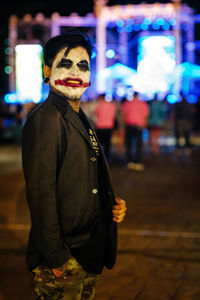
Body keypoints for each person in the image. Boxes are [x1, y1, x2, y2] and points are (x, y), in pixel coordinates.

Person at [22, 32, 127, 300]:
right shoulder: (46, 119)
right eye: (65, 64)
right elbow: (40, 192)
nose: (75, 72)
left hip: (87, 250)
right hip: (64, 257)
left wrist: (109, 204)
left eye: (83, 65)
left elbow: (82, 175)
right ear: (48, 71)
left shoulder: (77, 116)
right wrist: (56, 257)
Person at [123, 92, 150, 171]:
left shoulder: (127, 103)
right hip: (139, 126)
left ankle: (129, 162)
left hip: (129, 125)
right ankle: (138, 162)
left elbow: (124, 115)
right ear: (138, 96)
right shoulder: (143, 104)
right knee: (139, 145)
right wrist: (144, 125)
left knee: (129, 144)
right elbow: (145, 116)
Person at [95, 94, 116, 160]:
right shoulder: (112, 106)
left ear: (101, 98)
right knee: (107, 144)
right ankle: (107, 158)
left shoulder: (99, 106)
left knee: (99, 144)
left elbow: (97, 114)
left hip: (100, 127)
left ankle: (100, 158)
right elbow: (113, 115)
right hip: (109, 127)